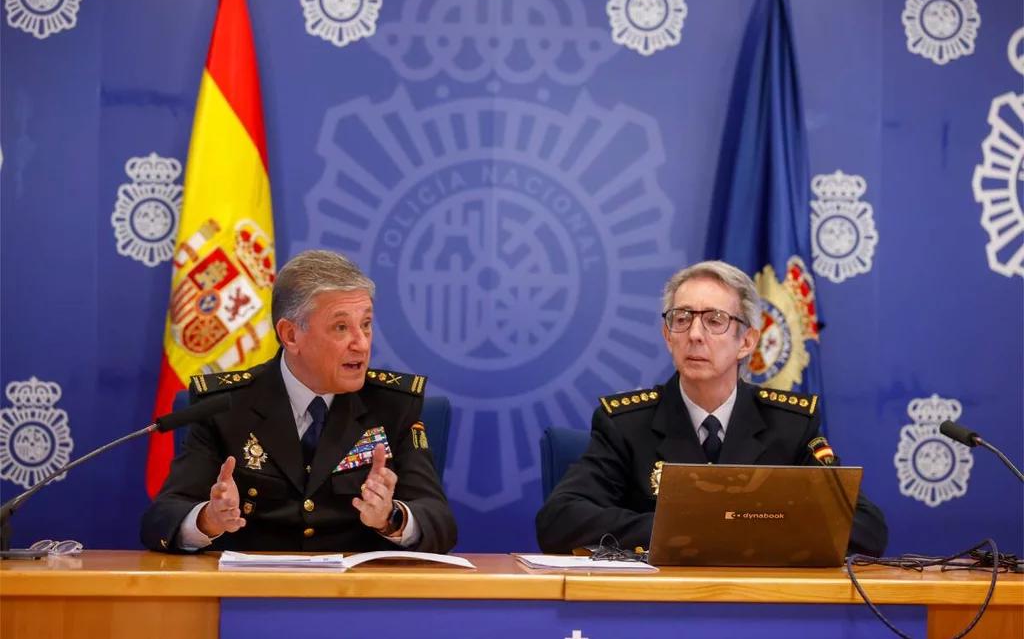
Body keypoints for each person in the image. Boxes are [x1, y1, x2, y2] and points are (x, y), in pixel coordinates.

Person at [535, 260, 887, 557]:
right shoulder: (626, 425)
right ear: (667, 334)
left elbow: (866, 527)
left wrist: (742, 530)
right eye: (682, 318)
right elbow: (559, 521)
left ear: (747, 341)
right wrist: (685, 527)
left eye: (715, 320)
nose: (695, 334)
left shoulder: (791, 426)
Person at [142, 250, 458, 554]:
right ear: (291, 336)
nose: (361, 344)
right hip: (252, 600)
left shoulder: (393, 407)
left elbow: (440, 522)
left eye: (365, 323)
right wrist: (208, 520)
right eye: (341, 327)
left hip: (358, 601)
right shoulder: (226, 407)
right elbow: (160, 519)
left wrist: (391, 519)